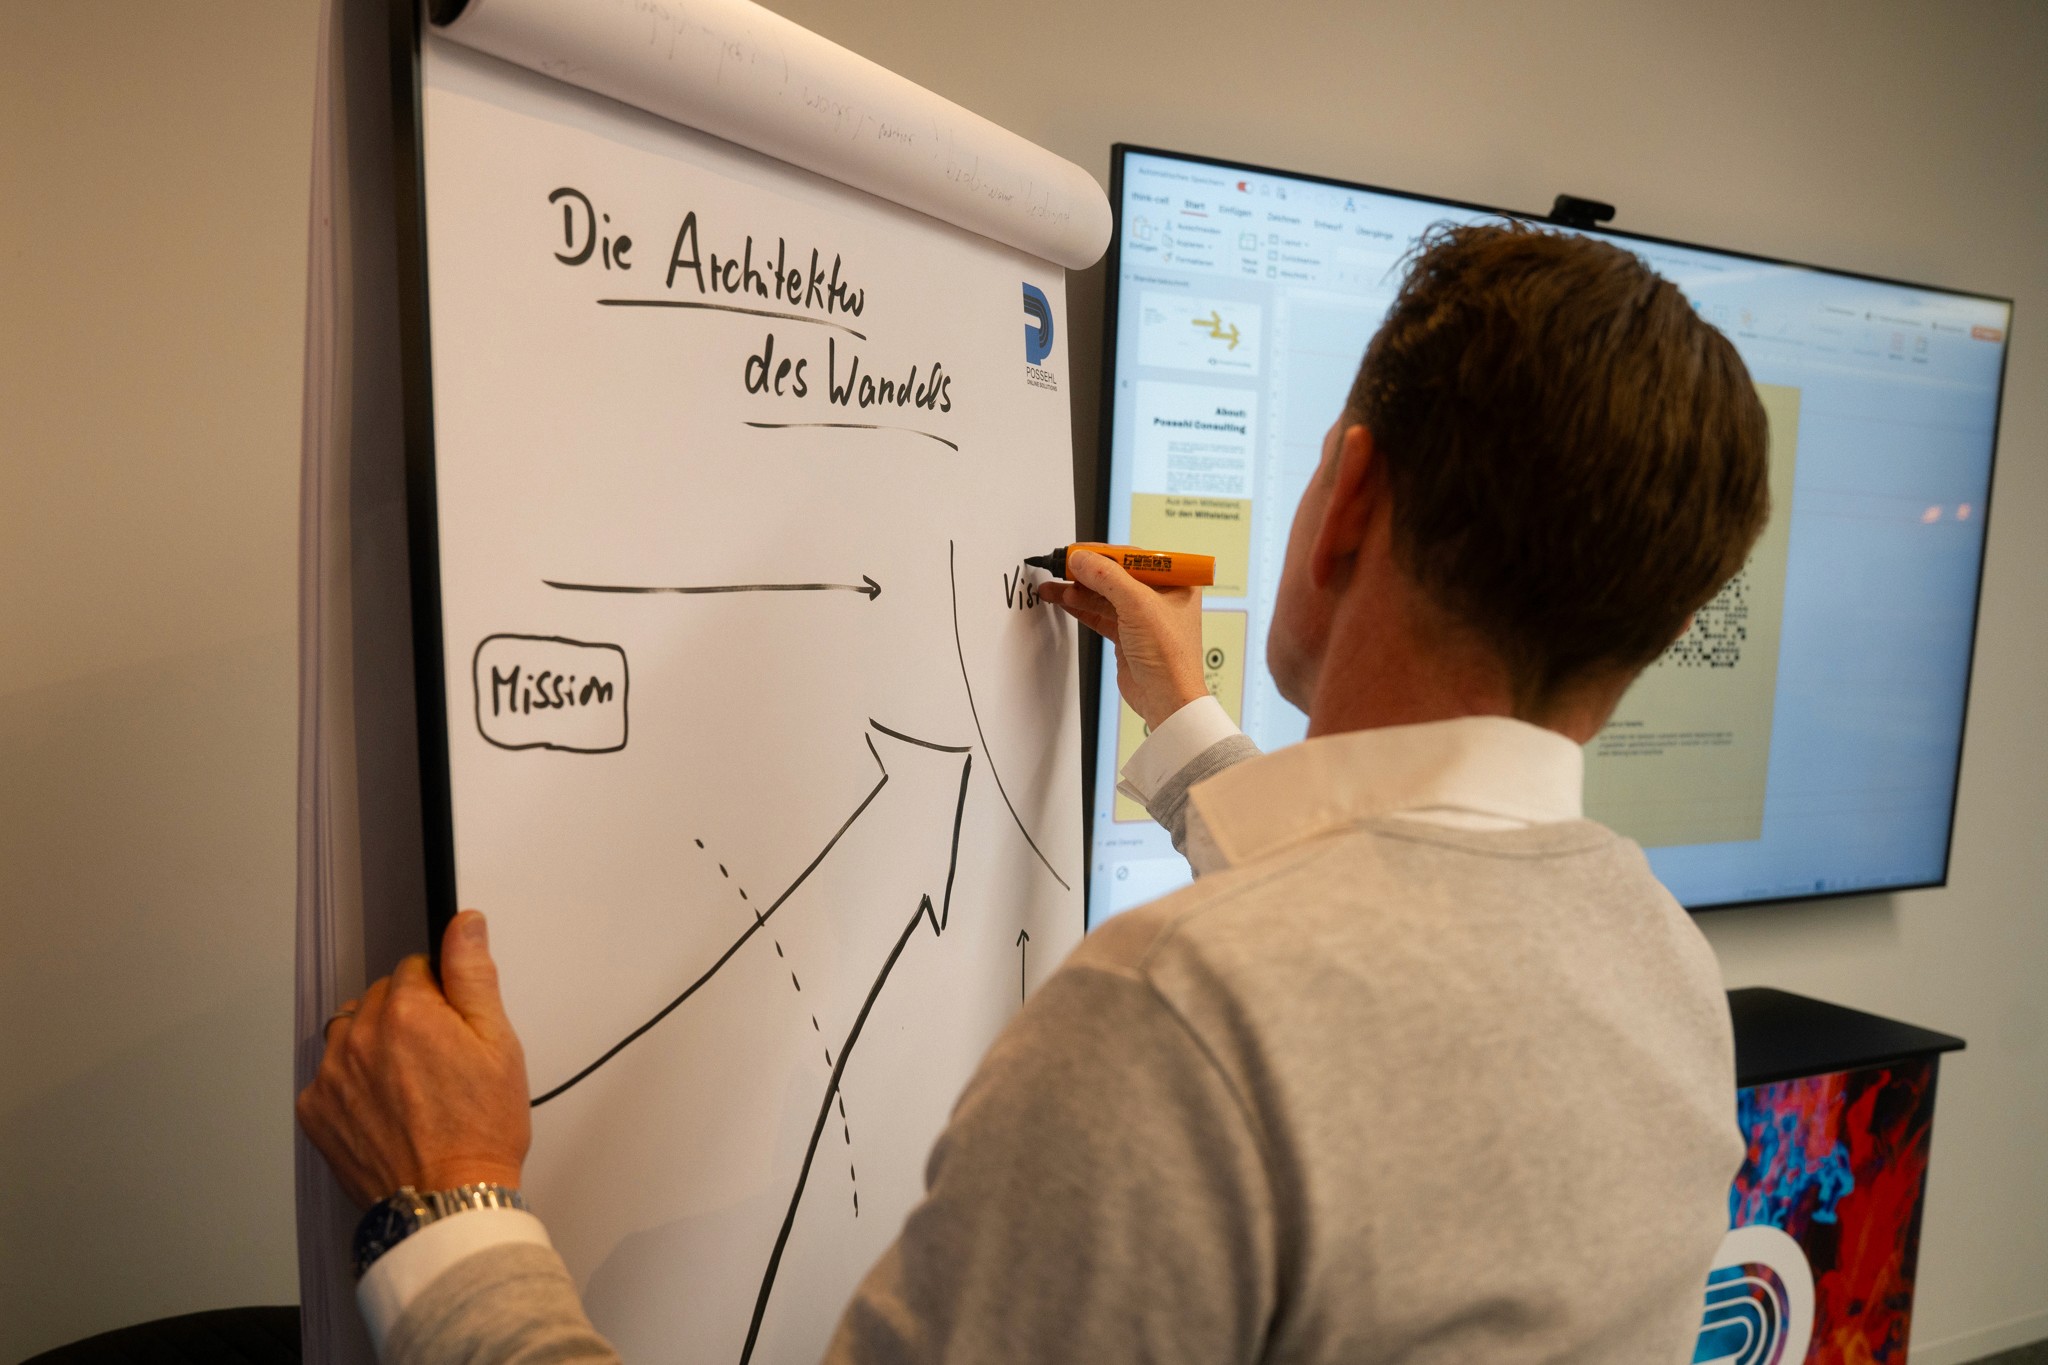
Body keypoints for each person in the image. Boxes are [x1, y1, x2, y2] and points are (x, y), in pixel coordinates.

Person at [298, 221, 1769, 1364]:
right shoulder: (1663, 967)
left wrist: (449, 1208)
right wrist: (1185, 725)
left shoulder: (1180, 1011)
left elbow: (1292, 1000)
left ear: (1351, 506)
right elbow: (1390, 943)